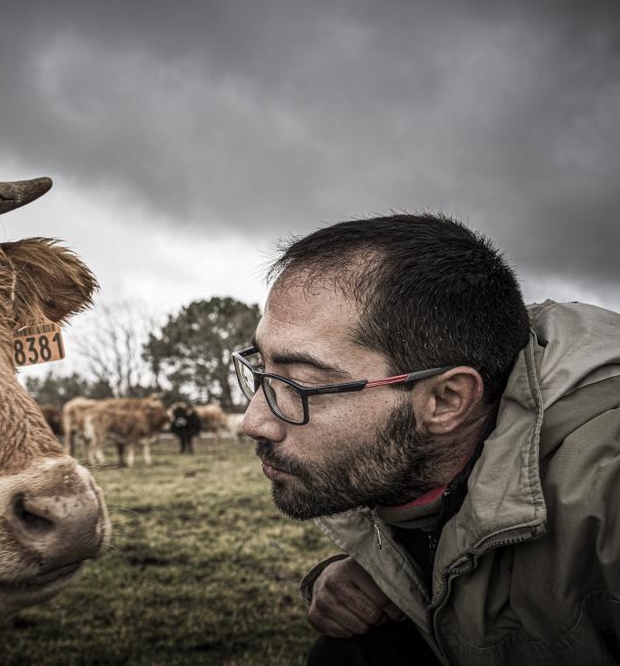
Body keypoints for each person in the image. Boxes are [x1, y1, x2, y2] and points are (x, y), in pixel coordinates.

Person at [234, 214, 620, 665]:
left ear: (446, 400)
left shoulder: (606, 497)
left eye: (301, 385)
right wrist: (387, 576)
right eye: (260, 368)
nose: (253, 421)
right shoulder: (413, 465)